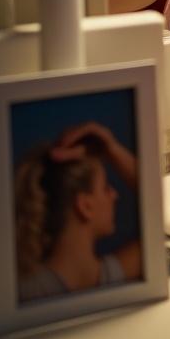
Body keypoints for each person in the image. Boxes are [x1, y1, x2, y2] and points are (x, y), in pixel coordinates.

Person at [15, 122, 141, 302]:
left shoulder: (28, 291)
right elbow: (156, 216)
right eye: (105, 188)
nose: (115, 195)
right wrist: (112, 151)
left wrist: (110, 150)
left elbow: (155, 213)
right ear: (85, 206)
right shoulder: (27, 292)